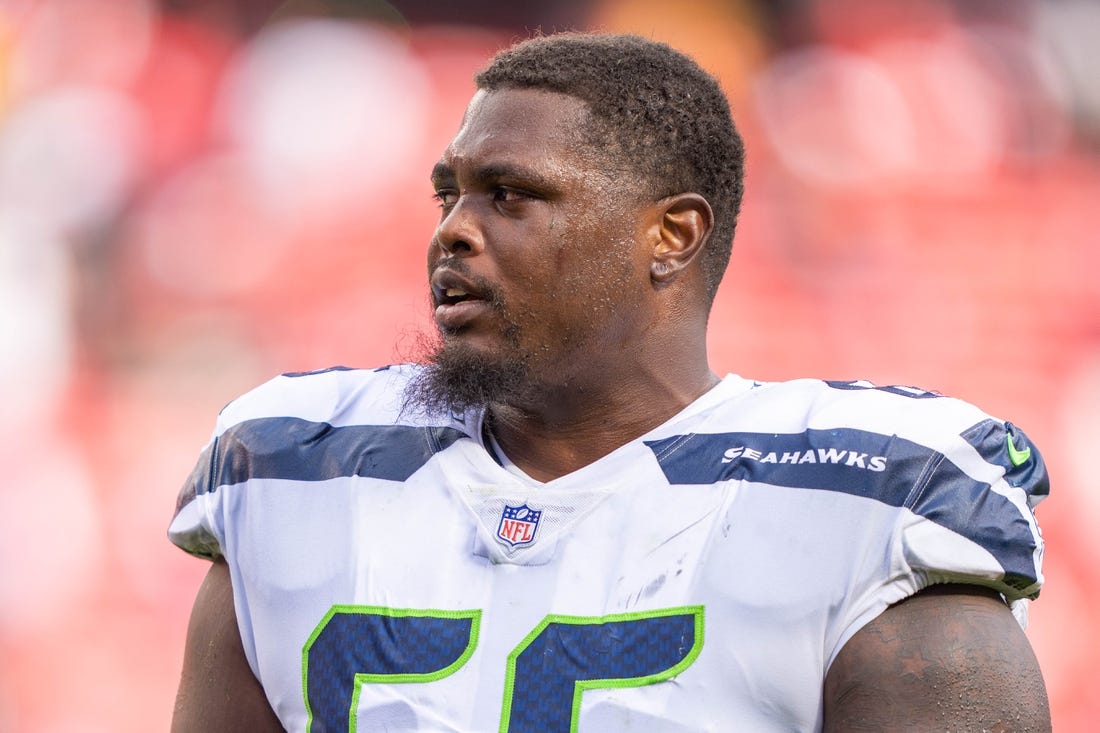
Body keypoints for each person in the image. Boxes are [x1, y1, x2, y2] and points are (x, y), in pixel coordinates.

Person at [169, 32, 1050, 732]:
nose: (454, 232)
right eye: (449, 196)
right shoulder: (291, 468)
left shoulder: (868, 500)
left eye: (509, 195)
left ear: (672, 235)